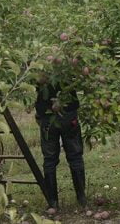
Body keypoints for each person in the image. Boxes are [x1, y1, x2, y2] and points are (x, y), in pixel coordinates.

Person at [35, 80, 86, 210]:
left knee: (50, 159)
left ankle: (53, 203)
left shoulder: (38, 65)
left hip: (47, 115)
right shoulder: (68, 62)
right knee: (75, 156)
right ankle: (81, 199)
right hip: (68, 114)